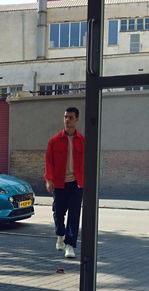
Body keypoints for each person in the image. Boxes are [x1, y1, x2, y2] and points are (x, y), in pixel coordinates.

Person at [44, 107, 85, 259]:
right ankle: (60, 235)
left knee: (74, 216)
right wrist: (49, 180)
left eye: (71, 117)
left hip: (76, 184)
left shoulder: (82, 141)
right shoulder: (54, 141)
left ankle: (70, 246)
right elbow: (48, 162)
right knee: (58, 213)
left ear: (77, 120)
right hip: (59, 184)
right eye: (65, 117)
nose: (67, 120)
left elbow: (88, 163)